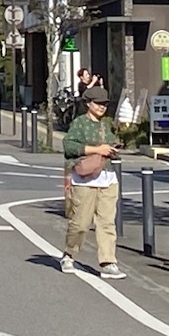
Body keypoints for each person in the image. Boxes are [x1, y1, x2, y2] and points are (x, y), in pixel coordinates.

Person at [59, 84, 124, 280]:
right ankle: (69, 254)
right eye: (98, 103)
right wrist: (97, 150)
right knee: (80, 223)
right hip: (84, 180)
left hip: (107, 178)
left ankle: (108, 262)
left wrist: (112, 149)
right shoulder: (79, 123)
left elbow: (111, 142)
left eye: (105, 104)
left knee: (107, 223)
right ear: (88, 103)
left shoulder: (106, 125)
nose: (102, 107)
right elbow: (69, 146)